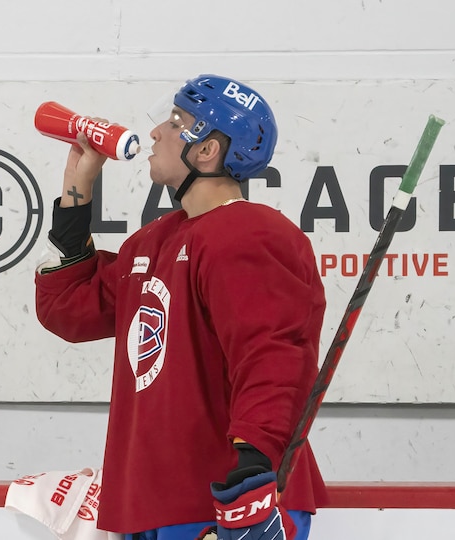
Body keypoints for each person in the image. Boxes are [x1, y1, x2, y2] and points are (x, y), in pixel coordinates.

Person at [33, 74, 328, 540]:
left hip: (225, 501)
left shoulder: (252, 233)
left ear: (206, 149)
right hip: (149, 503)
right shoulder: (156, 240)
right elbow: (69, 307)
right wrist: (76, 193)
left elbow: (273, 355)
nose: (154, 132)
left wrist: (253, 470)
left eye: (175, 121)